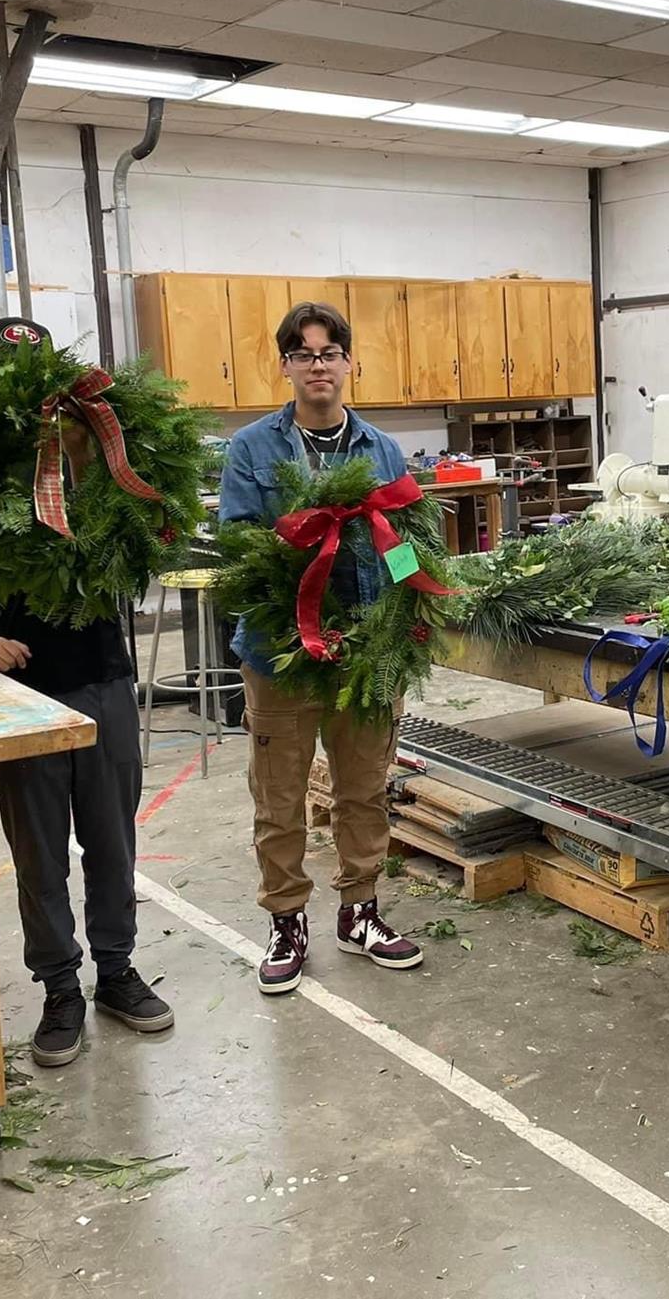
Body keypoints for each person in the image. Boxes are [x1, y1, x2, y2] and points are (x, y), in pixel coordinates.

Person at [0, 317, 174, 1069]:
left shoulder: (95, 443)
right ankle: (60, 986)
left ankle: (117, 971)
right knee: (37, 850)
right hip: (24, 691)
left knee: (112, 836)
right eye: (6, 374)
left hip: (104, 676)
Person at [219, 300, 423, 996]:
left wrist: (412, 612)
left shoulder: (381, 449)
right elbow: (242, 543)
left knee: (363, 787)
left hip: (367, 648)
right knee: (279, 795)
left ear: (349, 363)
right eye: (303, 353)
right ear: (285, 366)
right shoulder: (251, 448)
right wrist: (308, 534)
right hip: (280, 653)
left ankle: (360, 911)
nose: (318, 365)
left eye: (329, 352)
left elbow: (403, 539)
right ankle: (287, 920)